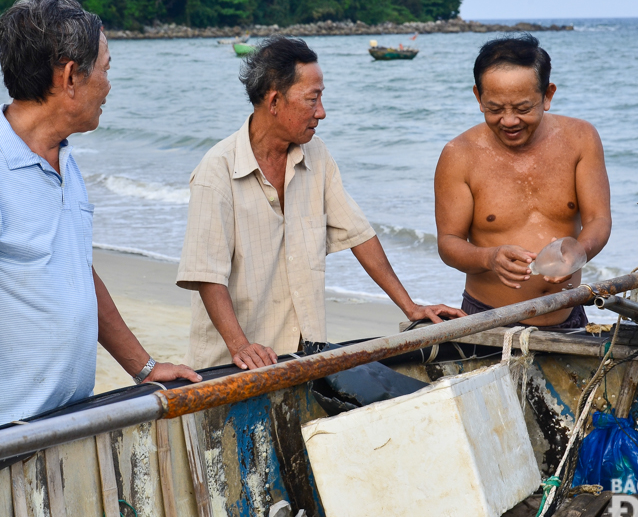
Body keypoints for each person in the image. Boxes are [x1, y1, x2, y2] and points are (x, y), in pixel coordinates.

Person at [0, 0, 200, 450]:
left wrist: (143, 366)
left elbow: (76, 269)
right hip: (2, 432)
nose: (108, 82)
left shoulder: (64, 155)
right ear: (69, 77)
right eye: (105, 67)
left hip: (71, 419)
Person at [177, 36, 464, 370]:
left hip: (302, 355)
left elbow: (359, 233)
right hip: (230, 365)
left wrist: (410, 307)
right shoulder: (218, 170)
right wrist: (240, 345)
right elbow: (207, 274)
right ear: (274, 101)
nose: (322, 113)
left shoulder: (317, 154)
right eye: (312, 100)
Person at [434, 35, 611, 328]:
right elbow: (448, 243)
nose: (509, 121)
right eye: (495, 109)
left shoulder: (581, 139)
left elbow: (599, 218)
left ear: (547, 95)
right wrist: (489, 258)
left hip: (567, 313)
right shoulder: (458, 155)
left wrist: (580, 251)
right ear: (478, 97)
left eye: (523, 108)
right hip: (487, 319)